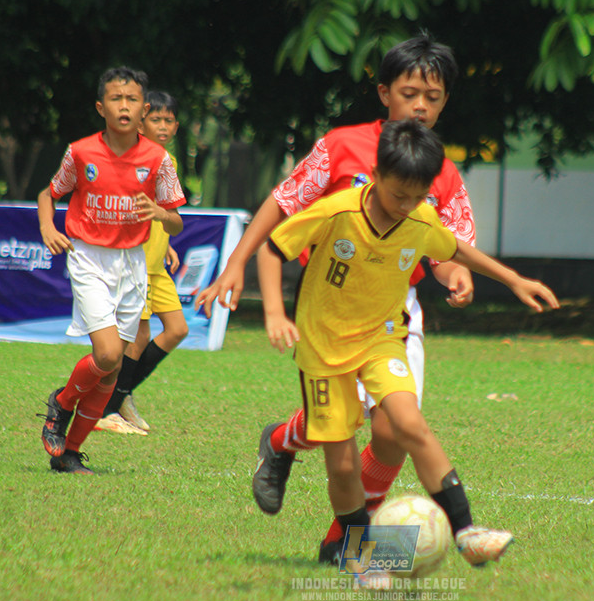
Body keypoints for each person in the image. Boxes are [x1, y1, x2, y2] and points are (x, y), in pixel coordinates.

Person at [196, 32, 476, 562]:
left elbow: (447, 246)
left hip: (394, 313)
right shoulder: (341, 146)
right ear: (383, 92)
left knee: (394, 432)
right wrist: (235, 265)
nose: (420, 106)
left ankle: (333, 528)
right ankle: (311, 489)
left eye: (433, 97)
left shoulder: (441, 167)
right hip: (326, 306)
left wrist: (453, 274)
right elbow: (282, 205)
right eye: (410, 92)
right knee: (341, 433)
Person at [257, 118, 559, 577]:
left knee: (410, 424)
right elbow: (272, 249)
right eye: (398, 194)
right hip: (323, 348)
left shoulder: (419, 218)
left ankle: (467, 532)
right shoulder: (338, 210)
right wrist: (275, 314)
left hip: (381, 340)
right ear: (375, 176)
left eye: (418, 197)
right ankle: (355, 553)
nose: (407, 206)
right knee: (340, 465)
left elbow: (456, 249)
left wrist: (514, 279)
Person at [37, 67, 186, 473]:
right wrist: (48, 226)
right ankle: (62, 402)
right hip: (89, 259)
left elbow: (176, 221)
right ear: (101, 107)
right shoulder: (81, 152)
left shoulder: (158, 160)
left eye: (133, 99)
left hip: (133, 264)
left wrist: (159, 212)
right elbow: (48, 194)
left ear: (144, 108)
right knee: (106, 355)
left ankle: (68, 452)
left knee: (112, 372)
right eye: (117, 99)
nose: (125, 106)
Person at [95, 90, 188, 435]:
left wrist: (165, 245)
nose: (162, 127)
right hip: (137, 263)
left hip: (157, 263)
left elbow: (161, 211)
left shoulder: (169, 161)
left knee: (177, 329)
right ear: (142, 121)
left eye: (169, 121)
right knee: (138, 335)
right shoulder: (134, 160)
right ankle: (107, 408)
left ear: (176, 127)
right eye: (156, 120)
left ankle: (122, 394)